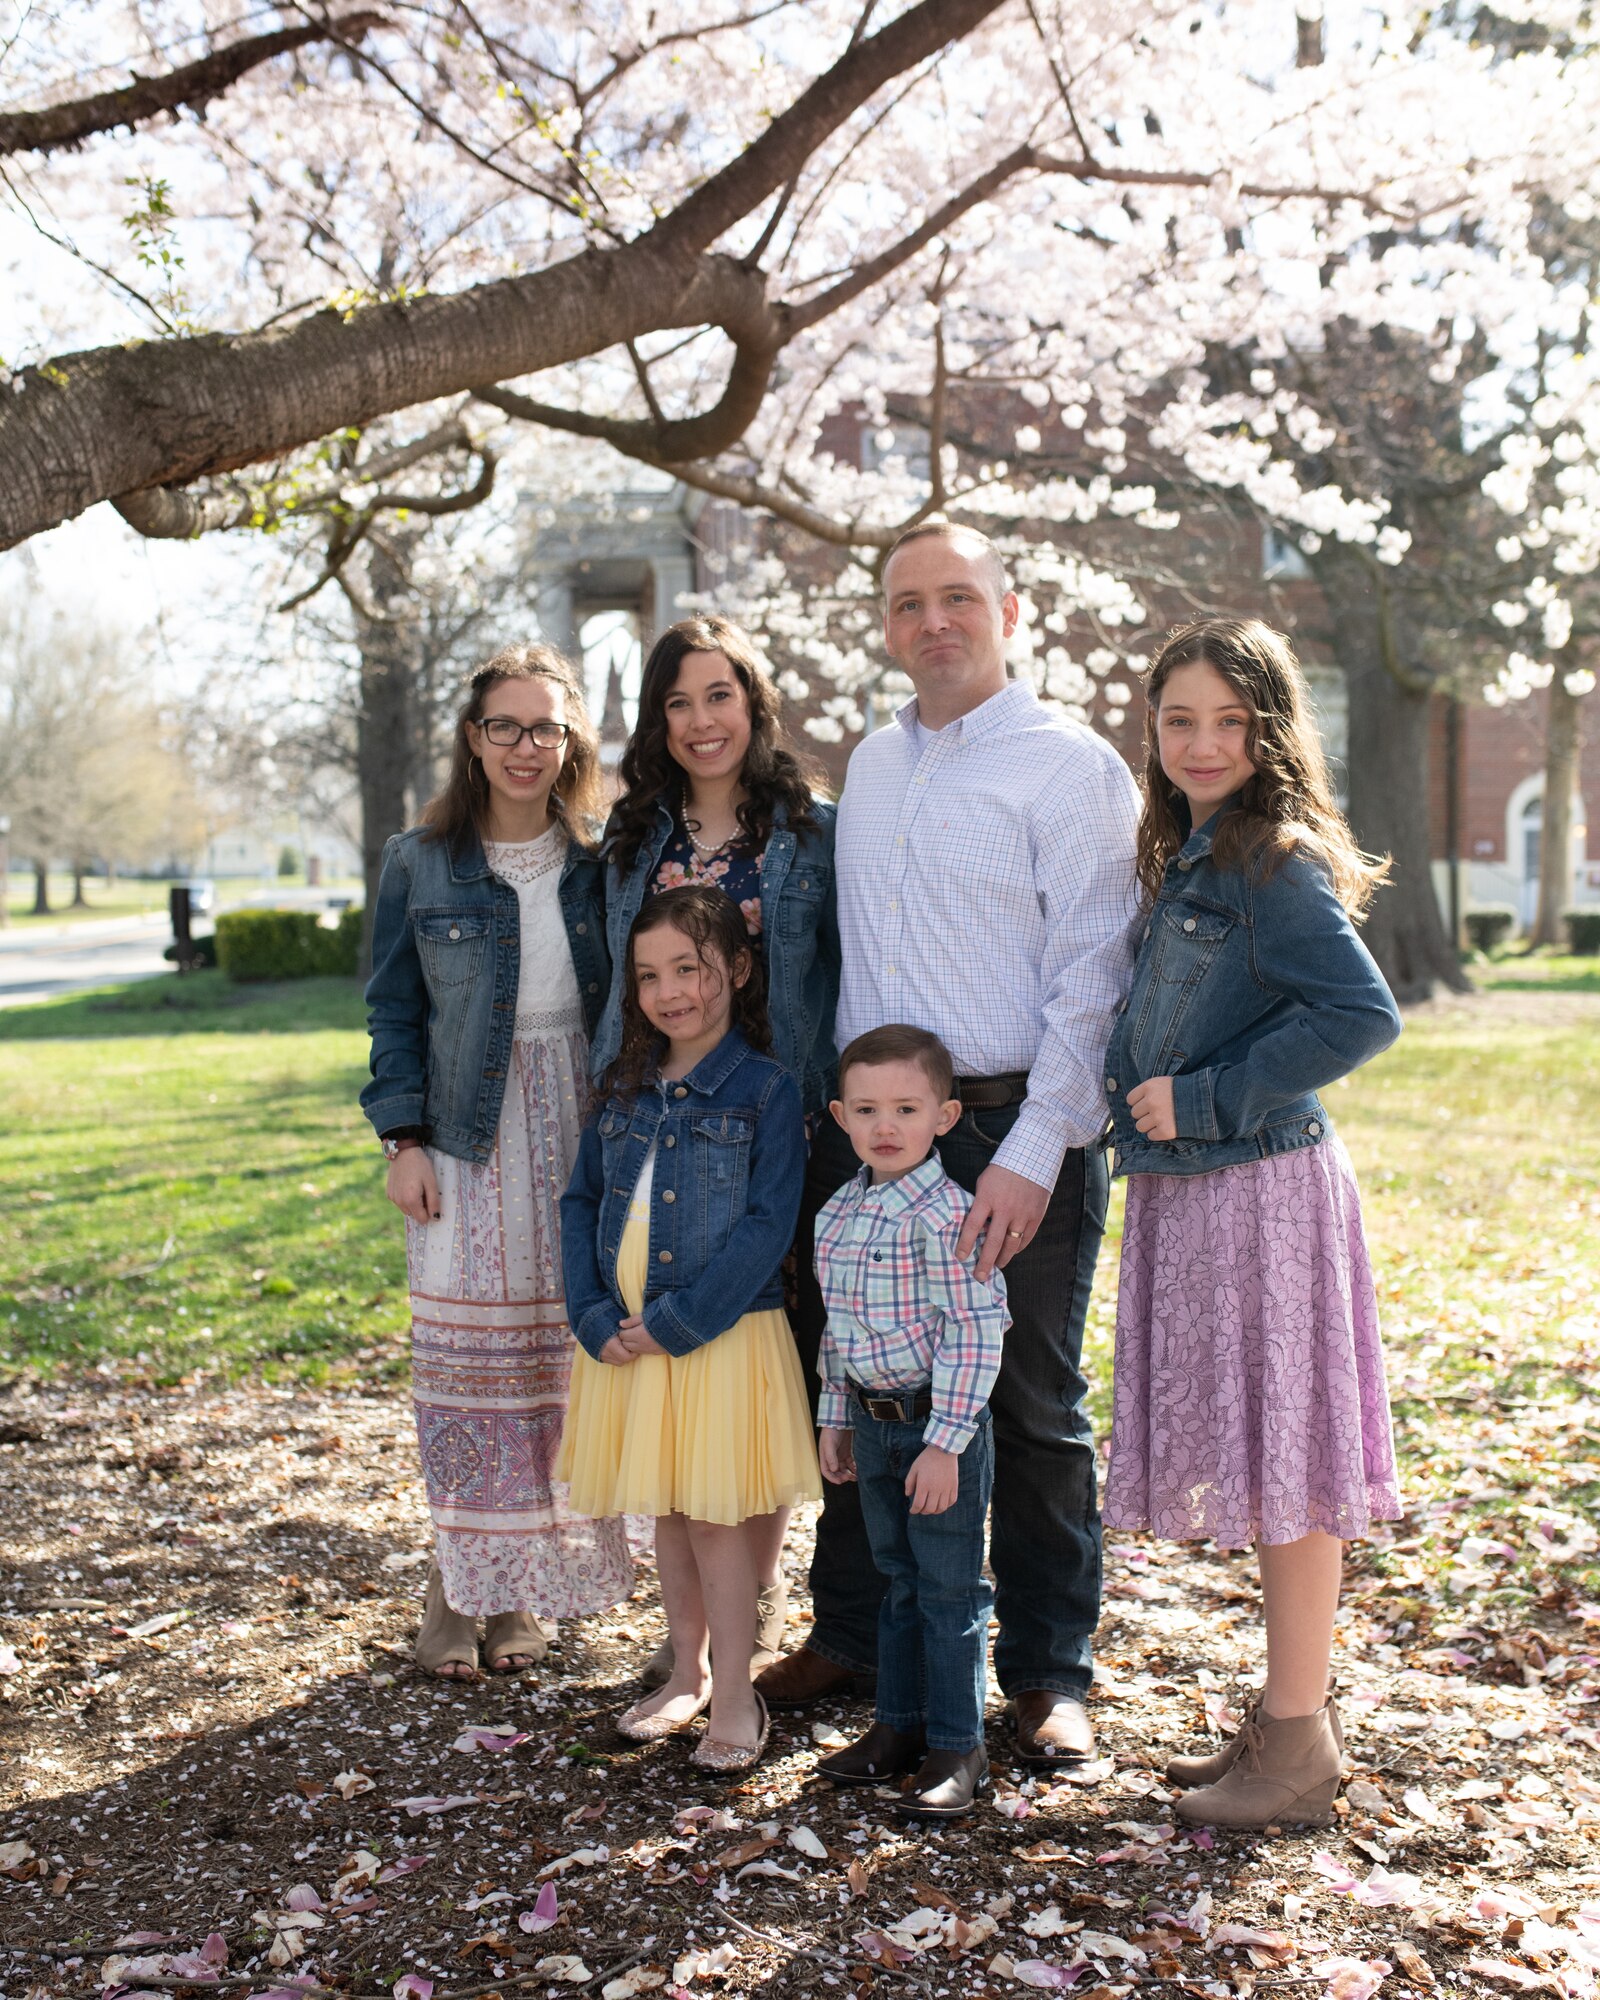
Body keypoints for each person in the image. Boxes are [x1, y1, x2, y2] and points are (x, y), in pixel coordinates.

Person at [758, 520, 1142, 1776]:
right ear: (884, 623)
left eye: (959, 598)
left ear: (1010, 610)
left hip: (1012, 1124)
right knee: (868, 1384)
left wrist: (1034, 1148)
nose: (934, 620)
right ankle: (864, 1640)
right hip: (878, 1137)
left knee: (1026, 1401)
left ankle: (1045, 1674)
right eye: (909, 602)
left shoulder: (1067, 766)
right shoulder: (870, 764)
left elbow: (1094, 975)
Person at [1103, 616, 1402, 1830]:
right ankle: (1292, 1719)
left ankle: (1294, 1739)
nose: (1203, 741)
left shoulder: (1268, 858)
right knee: (1277, 1458)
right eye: (1181, 718)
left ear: (1270, 731)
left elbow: (1360, 1013)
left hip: (1261, 1188)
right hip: (1212, 1192)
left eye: (1230, 719)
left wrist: (1210, 1094)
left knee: (1293, 1463)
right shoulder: (1195, 849)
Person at [362, 643, 632, 1680]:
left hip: (579, 1121)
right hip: (466, 1133)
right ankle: (454, 1584)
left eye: (546, 728)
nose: (527, 746)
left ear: (571, 742)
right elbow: (392, 1009)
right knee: (468, 1372)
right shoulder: (418, 860)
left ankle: (517, 1592)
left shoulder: (598, 860)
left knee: (556, 1368)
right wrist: (402, 1138)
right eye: (505, 726)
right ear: (473, 739)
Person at [592, 614, 840, 1682]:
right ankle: (682, 1644)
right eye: (678, 702)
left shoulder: (809, 829)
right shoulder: (631, 839)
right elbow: (615, 984)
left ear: (754, 704)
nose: (701, 721)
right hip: (656, 1124)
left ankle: (749, 1612)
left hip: (774, 1126)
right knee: (665, 1381)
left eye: (719, 696)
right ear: (658, 720)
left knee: (753, 1380)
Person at [558, 886, 820, 1770]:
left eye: (690, 969)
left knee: (716, 1519)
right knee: (668, 1512)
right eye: (649, 976)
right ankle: (686, 1673)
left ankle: (740, 1697)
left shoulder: (765, 1091)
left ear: (736, 971)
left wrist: (678, 1321)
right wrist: (594, 1317)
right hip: (628, 1343)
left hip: (718, 1340)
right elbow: (581, 1200)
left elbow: (767, 1224)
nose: (670, 991)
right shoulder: (624, 1087)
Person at [812, 1026, 1010, 1818]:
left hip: (939, 1430)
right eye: (866, 1109)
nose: (884, 1125)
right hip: (873, 1421)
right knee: (896, 1581)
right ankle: (896, 1727)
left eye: (905, 1107)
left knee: (950, 1592)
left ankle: (959, 1747)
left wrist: (946, 1444)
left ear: (945, 1116)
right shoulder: (837, 1214)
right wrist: (836, 1419)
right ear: (839, 1116)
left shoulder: (949, 1217)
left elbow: (975, 1330)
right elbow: (838, 1329)